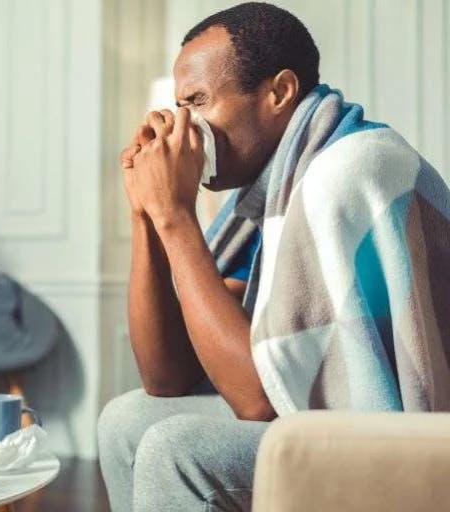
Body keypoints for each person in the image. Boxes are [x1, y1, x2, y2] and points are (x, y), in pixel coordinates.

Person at [97, 2, 450, 511]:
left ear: (279, 92)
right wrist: (146, 215)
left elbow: (258, 400)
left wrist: (176, 216)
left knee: (177, 451)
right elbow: (165, 377)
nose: (185, 129)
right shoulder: (268, 199)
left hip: (401, 446)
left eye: (198, 103)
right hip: (326, 423)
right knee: (126, 419)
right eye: (179, 108)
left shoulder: (349, 171)